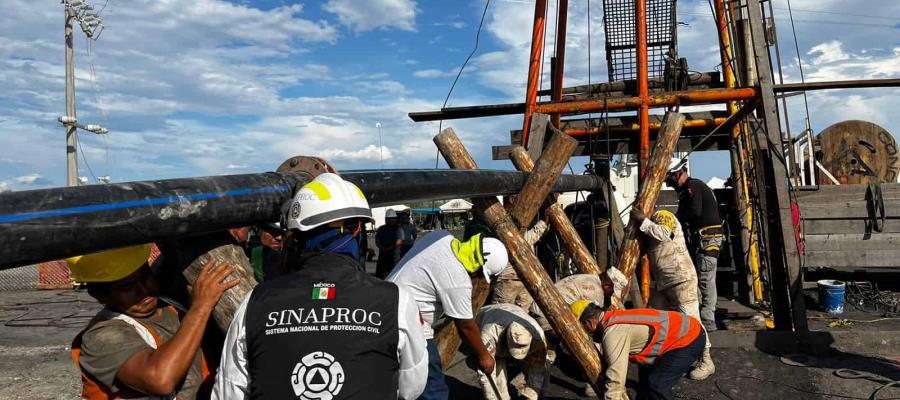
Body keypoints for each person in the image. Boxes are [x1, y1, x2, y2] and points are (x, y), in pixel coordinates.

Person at [213, 173, 428, 400]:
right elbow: (411, 388)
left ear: (296, 236)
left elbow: (228, 393)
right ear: (356, 230)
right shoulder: (396, 301)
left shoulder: (254, 303)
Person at [67, 244, 239, 399]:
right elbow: (160, 380)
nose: (143, 290)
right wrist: (200, 307)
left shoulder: (169, 305)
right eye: (127, 287)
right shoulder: (101, 336)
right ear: (98, 294)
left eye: (145, 276)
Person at [387, 230, 509, 400]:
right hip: (408, 323)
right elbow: (466, 326)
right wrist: (484, 357)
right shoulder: (458, 280)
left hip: (386, 303)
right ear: (480, 269)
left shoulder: (441, 237)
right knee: (432, 387)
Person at [630, 208, 715, 380]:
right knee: (668, 323)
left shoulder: (663, 216)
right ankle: (675, 359)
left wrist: (643, 221)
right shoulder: (650, 225)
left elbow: (663, 233)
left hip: (681, 277)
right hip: (664, 282)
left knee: (692, 320)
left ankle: (706, 360)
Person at [571, 300, 705, 400]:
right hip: (684, 333)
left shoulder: (613, 332)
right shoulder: (613, 317)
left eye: (584, 330)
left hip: (688, 338)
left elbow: (616, 380)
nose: (587, 334)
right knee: (645, 390)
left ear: (589, 323)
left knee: (657, 386)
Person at [665, 158, 722, 332]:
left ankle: (708, 320)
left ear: (676, 175)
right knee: (698, 277)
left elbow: (694, 212)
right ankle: (699, 317)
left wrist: (674, 220)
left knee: (705, 278)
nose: (669, 184)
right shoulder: (688, 190)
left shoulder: (693, 187)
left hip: (707, 239)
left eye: (669, 180)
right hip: (702, 239)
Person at [470, 304, 547, 400]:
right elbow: (487, 373)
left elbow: (538, 367)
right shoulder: (489, 333)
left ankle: (540, 396)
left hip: (514, 310)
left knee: (542, 370)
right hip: (488, 317)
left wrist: (532, 393)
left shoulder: (538, 336)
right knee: (497, 374)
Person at [491, 219, 548, 310]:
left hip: (508, 279)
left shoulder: (500, 240)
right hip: (525, 278)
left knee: (500, 310)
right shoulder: (523, 238)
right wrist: (545, 221)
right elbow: (536, 232)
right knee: (521, 312)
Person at [375, 209, 403, 278]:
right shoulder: (381, 229)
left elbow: (399, 241)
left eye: (393, 219)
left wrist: (387, 249)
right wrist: (382, 248)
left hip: (394, 256)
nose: (391, 220)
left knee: (393, 275)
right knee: (382, 274)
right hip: (383, 256)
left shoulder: (398, 229)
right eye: (390, 219)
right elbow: (377, 240)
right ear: (386, 219)